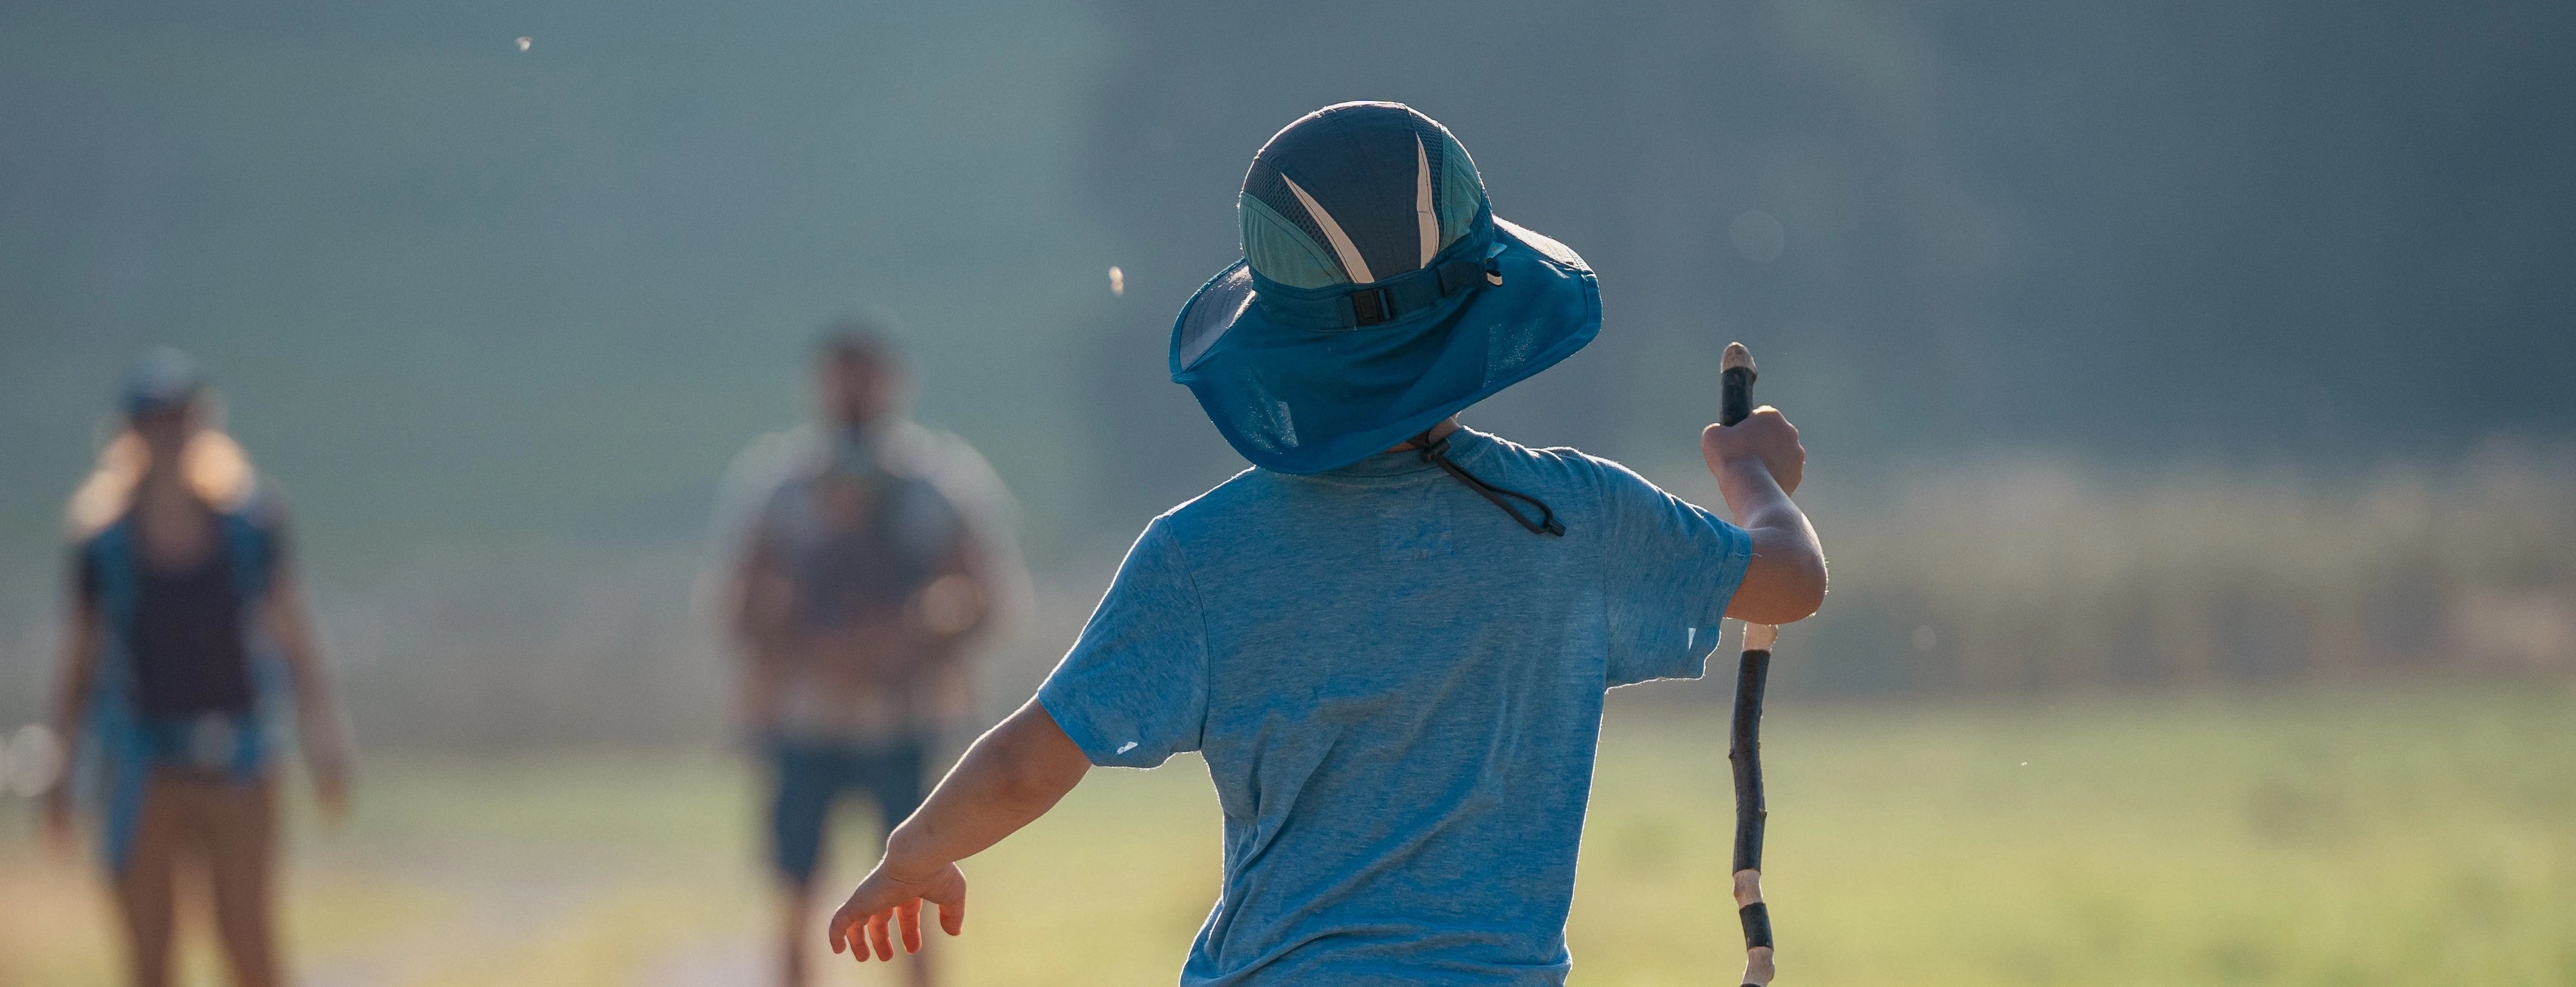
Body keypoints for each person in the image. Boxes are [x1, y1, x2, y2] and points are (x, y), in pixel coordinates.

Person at [824, 103, 1827, 985]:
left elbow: (1025, 765)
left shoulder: (1198, 557)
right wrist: (1748, 476)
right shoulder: (1575, 517)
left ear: (1284, 342)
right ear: (1485, 300)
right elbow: (1789, 583)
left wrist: (917, 852)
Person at [707, 323, 1025, 987]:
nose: (854, 393)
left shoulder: (938, 484)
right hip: (805, 715)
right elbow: (736, 603)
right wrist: (811, 644)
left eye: (866, 377)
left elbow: (987, 596)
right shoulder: (781, 487)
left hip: (901, 715)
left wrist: (909, 638)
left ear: (894, 384)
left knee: (917, 884)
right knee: (795, 891)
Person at [47, 349, 354, 987]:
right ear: (129, 434)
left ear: (203, 428)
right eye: (154, 421)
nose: (168, 435)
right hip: (142, 765)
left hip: (239, 761)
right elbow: (79, 662)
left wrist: (323, 736)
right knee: (150, 955)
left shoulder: (251, 528)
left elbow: (295, 639)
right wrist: (59, 768)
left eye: (180, 419)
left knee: (248, 945)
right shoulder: (102, 544)